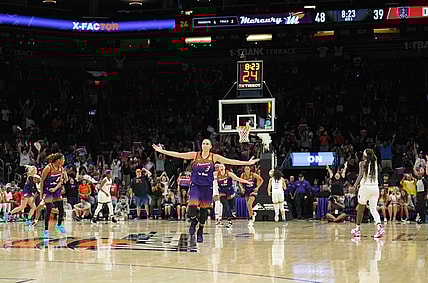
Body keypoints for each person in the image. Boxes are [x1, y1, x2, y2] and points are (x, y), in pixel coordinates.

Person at [152, 140, 259, 243]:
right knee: (191, 209)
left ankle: (200, 231)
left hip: (207, 187)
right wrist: (162, 151)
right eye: (203, 143)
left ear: (210, 146)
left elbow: (231, 161)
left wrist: (247, 162)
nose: (205, 145)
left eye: (207, 143)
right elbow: (179, 155)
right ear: (201, 146)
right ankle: (193, 221)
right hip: (195, 185)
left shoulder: (214, 157)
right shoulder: (195, 155)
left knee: (204, 211)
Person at [351, 149, 385, 238]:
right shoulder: (375, 163)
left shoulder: (362, 163)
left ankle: (357, 229)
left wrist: (354, 185)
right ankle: (379, 227)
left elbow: (361, 175)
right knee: (373, 209)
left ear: (365, 155)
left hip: (365, 188)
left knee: (360, 208)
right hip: (375, 188)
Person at [217, 163, 252, 228]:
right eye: (220, 167)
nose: (221, 167)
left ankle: (233, 210)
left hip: (230, 191)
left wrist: (246, 182)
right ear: (218, 169)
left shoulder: (229, 173)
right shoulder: (216, 174)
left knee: (231, 206)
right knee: (225, 206)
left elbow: (237, 179)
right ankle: (229, 222)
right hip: (222, 192)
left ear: (225, 168)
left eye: (222, 166)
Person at [39, 153, 66, 237]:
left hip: (56, 189)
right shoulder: (48, 168)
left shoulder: (61, 168)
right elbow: (42, 181)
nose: (64, 161)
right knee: (49, 208)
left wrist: (55, 188)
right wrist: (41, 194)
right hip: (47, 190)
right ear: (58, 160)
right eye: (63, 159)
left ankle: (59, 225)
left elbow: (61, 181)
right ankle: (46, 229)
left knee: (61, 208)